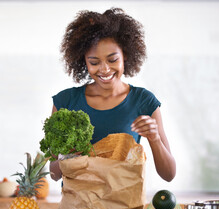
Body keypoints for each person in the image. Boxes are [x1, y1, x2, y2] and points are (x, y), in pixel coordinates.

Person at [49, 8, 176, 182]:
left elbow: (169, 174)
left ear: (126, 56)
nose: (104, 69)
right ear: (83, 61)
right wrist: (67, 157)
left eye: (112, 59)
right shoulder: (65, 101)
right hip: (79, 207)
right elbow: (54, 174)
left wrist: (154, 139)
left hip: (123, 206)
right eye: (94, 62)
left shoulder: (143, 101)